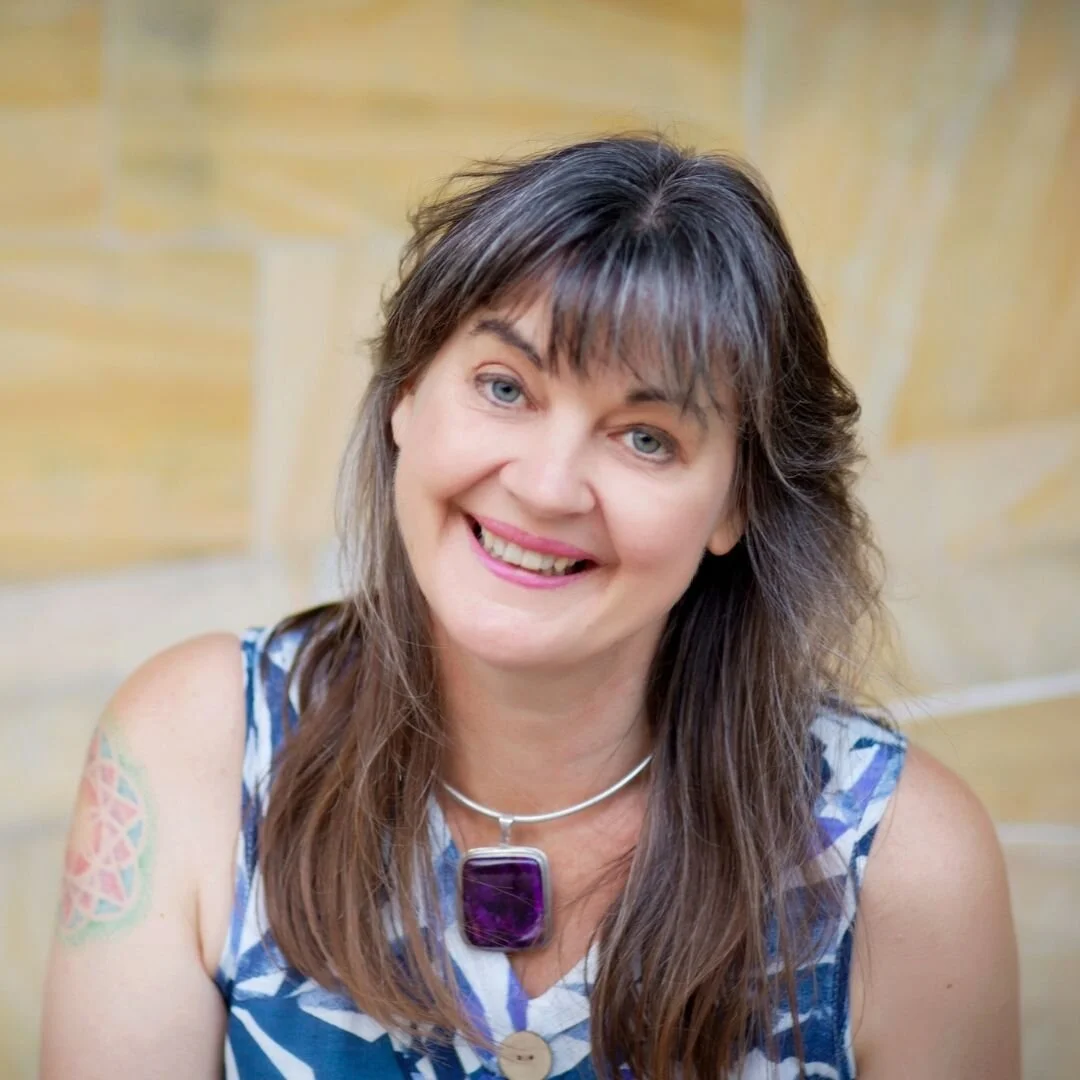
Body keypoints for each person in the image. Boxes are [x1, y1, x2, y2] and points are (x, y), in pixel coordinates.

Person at [39, 132, 1020, 1079]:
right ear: (406, 394)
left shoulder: (899, 861)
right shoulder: (198, 750)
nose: (548, 487)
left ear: (736, 502)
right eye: (505, 387)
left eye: (646, 438)